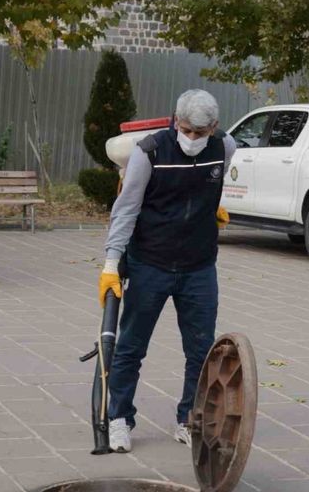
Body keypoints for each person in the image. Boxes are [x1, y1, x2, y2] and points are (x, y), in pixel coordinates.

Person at [97, 89, 236, 453]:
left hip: (199, 267)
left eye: (200, 133)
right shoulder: (150, 152)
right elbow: (126, 209)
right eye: (186, 130)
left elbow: (211, 184)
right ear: (176, 121)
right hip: (150, 264)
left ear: (214, 128)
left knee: (201, 351)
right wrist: (112, 263)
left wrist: (211, 209)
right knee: (130, 347)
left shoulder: (225, 147)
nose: (191, 139)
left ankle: (190, 419)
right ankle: (119, 419)